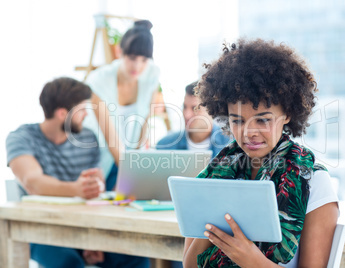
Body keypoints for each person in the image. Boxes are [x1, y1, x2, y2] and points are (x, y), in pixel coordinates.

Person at [182, 39, 339, 268]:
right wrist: (212, 217)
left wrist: (252, 261)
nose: (248, 133)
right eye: (237, 120)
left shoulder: (315, 182)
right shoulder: (216, 174)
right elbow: (189, 264)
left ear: (287, 114)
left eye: (263, 120)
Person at [6, 77, 150, 268]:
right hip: (40, 230)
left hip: (84, 228)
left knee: (135, 257)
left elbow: (95, 191)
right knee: (69, 262)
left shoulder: (87, 138)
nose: (86, 115)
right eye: (82, 110)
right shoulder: (21, 137)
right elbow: (33, 182)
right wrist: (76, 189)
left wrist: (94, 238)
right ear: (62, 113)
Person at [83, 19, 160, 191]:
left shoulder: (152, 74)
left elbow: (145, 121)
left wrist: (139, 164)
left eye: (144, 59)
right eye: (132, 58)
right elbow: (112, 140)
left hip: (130, 159)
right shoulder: (99, 80)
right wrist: (132, 177)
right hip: (100, 160)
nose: (137, 66)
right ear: (119, 51)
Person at [156, 81, 230, 157]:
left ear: (212, 110)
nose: (186, 115)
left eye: (195, 109)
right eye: (184, 107)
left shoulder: (231, 145)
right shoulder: (164, 146)